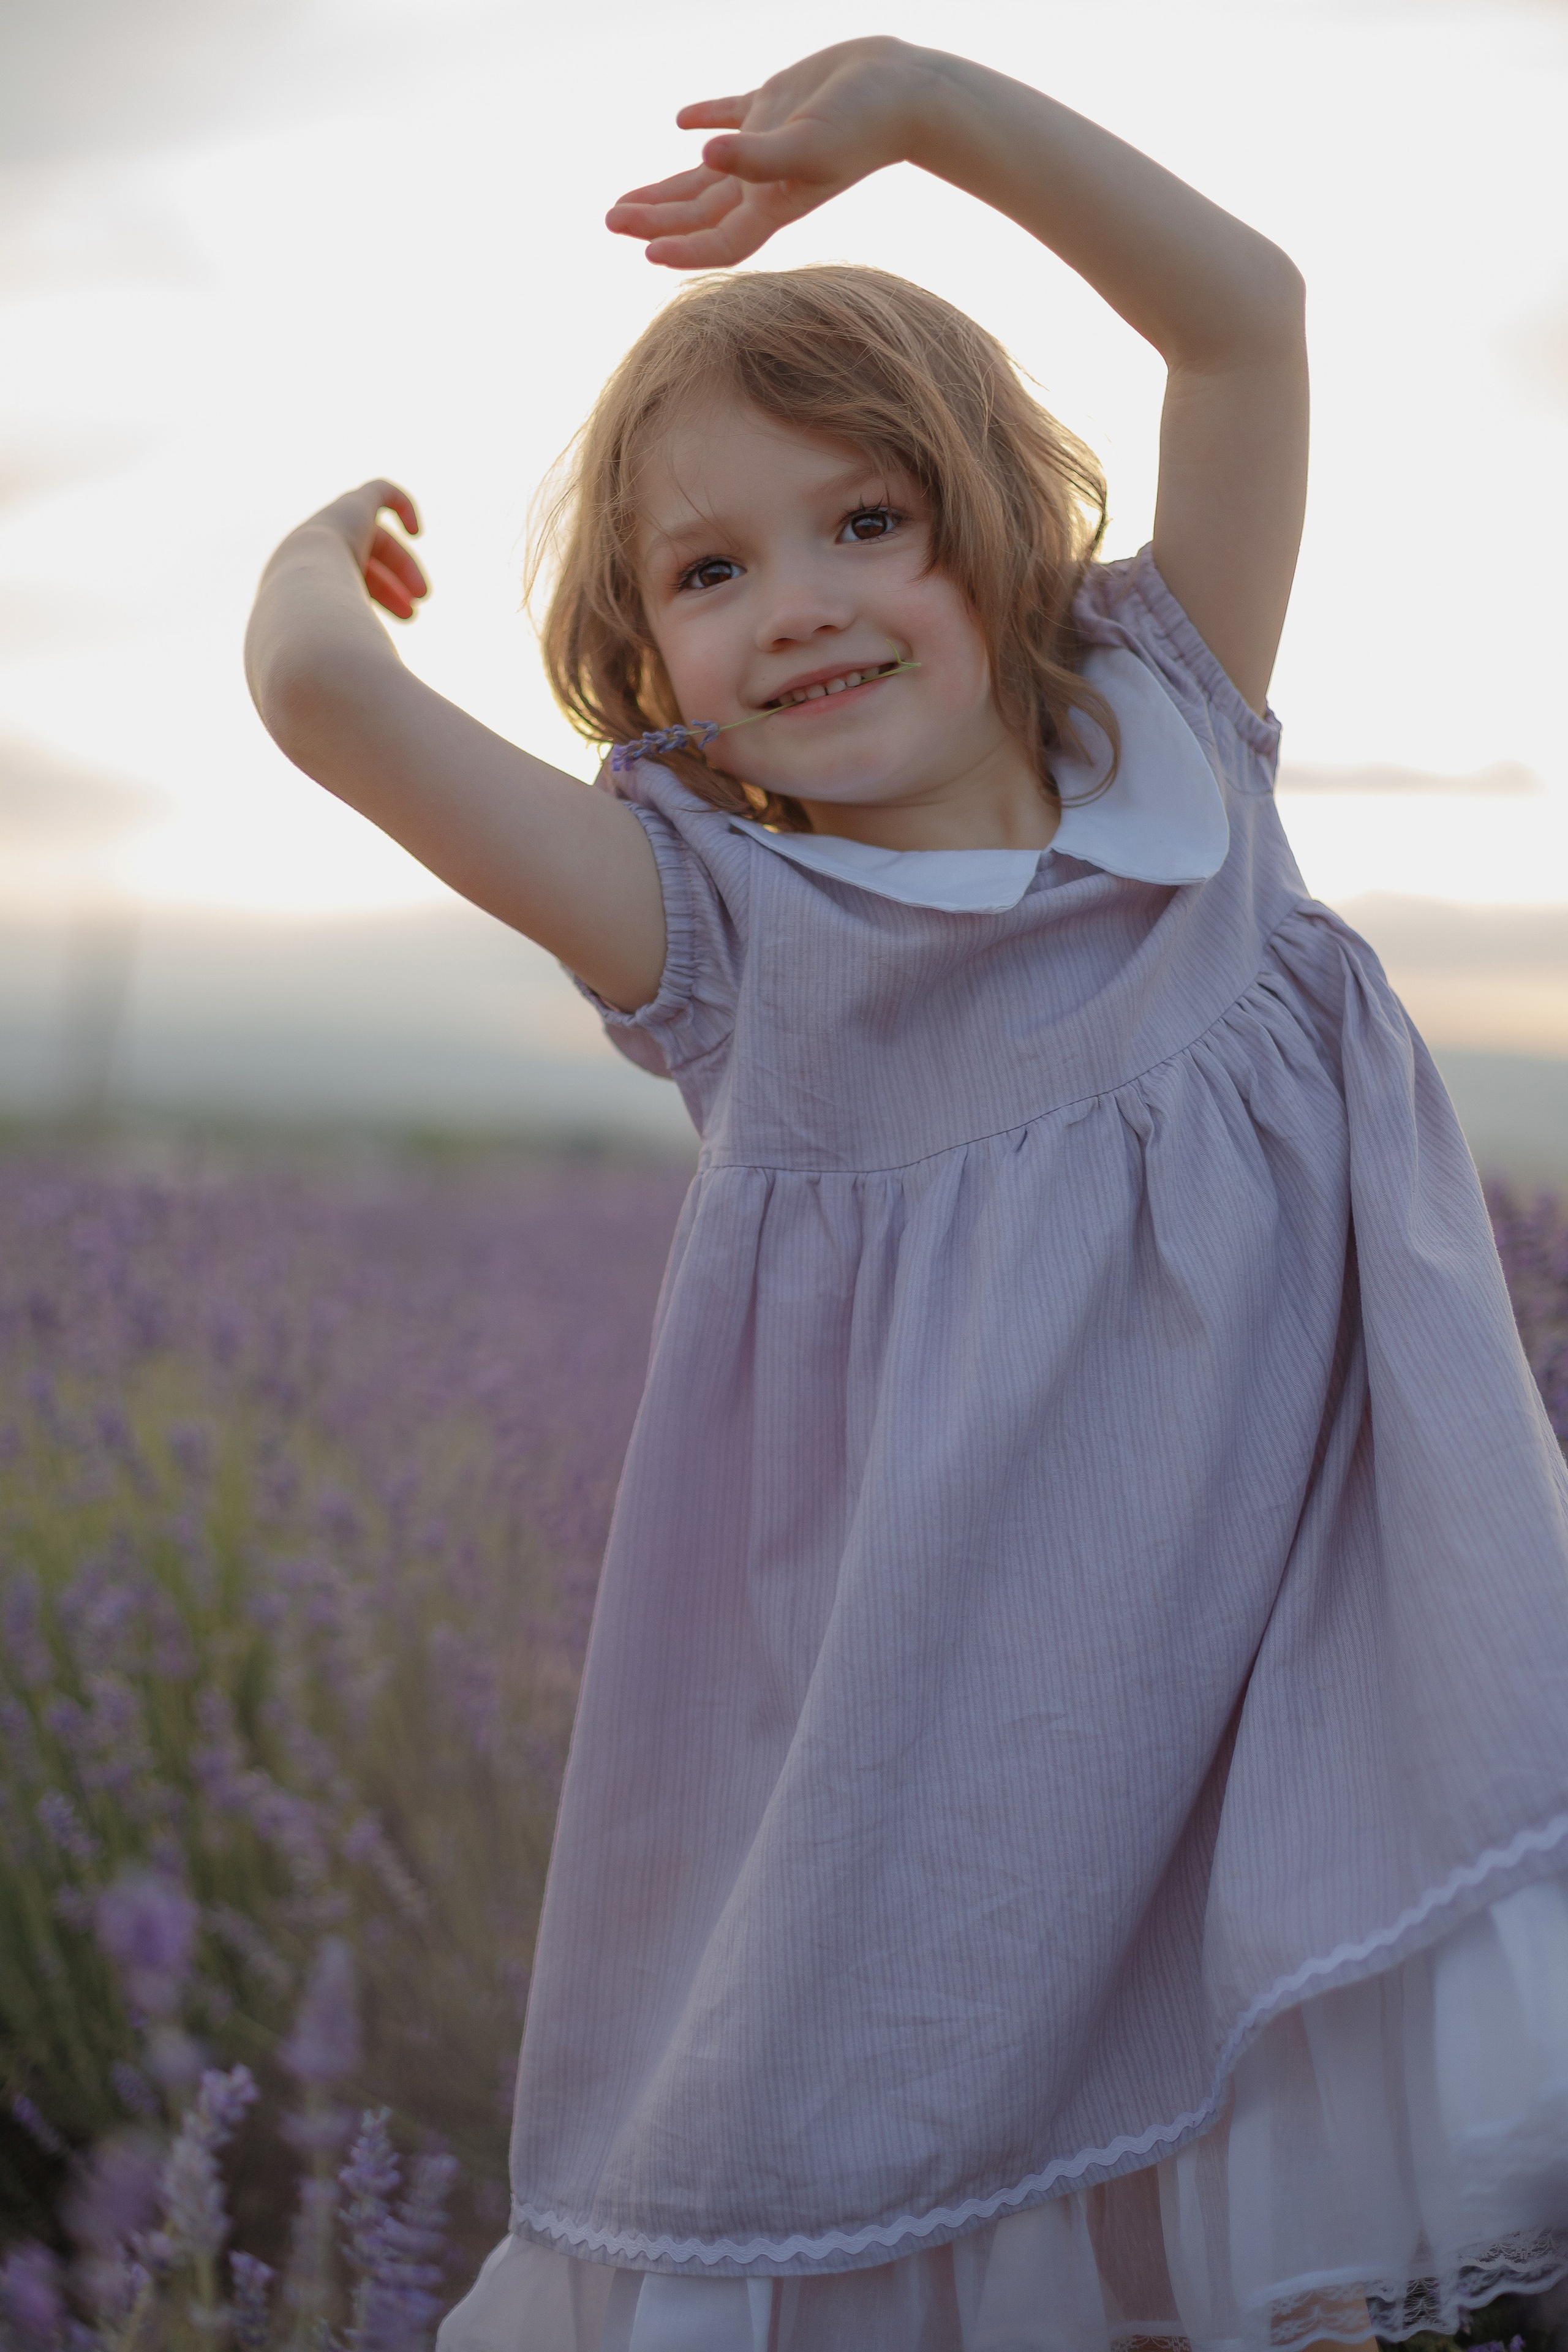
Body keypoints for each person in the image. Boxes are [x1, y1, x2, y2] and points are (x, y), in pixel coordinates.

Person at [244, 38, 1568, 2352]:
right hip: (970, 1754)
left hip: (1318, 1701)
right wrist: (303, 580)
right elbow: (324, 707)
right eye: (714, 570)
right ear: (652, 661)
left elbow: (1244, 319)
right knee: (948, 2178)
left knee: (1291, 2227)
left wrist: (926, 113)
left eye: (874, 522)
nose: (808, 604)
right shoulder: (726, 941)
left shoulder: (1181, 736)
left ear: (997, 533)